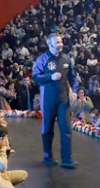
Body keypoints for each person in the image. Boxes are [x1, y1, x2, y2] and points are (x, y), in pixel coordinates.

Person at [32, 34, 78, 168]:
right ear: (49, 44)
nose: (60, 44)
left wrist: (74, 91)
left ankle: (66, 159)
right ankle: (48, 156)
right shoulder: (42, 59)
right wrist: (50, 77)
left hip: (63, 98)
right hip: (48, 98)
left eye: (61, 42)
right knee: (47, 128)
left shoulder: (66, 59)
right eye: (57, 42)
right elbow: (35, 77)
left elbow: (73, 77)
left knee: (66, 128)